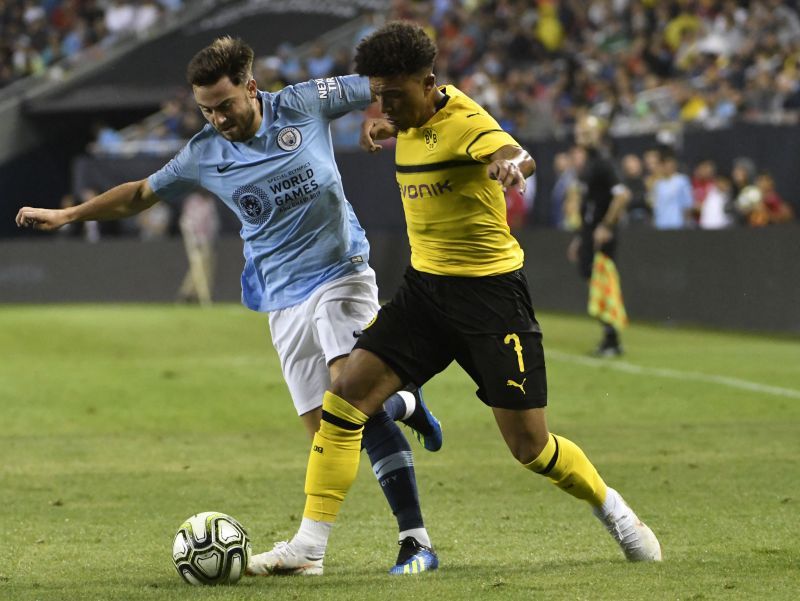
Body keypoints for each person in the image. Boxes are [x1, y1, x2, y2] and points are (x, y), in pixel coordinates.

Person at [16, 36, 442, 576]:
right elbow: (141, 194)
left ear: (251, 88)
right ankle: (402, 404)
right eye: (206, 110)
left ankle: (412, 542)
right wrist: (68, 216)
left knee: (349, 398)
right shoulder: (203, 153)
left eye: (225, 105)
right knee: (329, 436)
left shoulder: (306, 102)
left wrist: (386, 116)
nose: (217, 118)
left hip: (342, 271)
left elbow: (389, 86)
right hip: (282, 298)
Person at [249, 21, 661, 576]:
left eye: (396, 95)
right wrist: (387, 127)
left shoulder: (466, 121)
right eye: (379, 94)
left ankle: (612, 509)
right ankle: (309, 546)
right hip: (425, 292)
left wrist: (511, 166)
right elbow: (409, 128)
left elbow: (513, 152)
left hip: (491, 299)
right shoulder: (405, 115)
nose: (386, 105)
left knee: (531, 448)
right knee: (344, 397)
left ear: (430, 82)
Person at [565, 115, 631, 357]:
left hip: (601, 235)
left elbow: (622, 195)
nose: (582, 135)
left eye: (587, 131)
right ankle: (608, 337)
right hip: (589, 234)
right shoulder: (588, 165)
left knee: (604, 285)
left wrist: (606, 226)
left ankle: (613, 340)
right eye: (580, 131)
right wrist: (580, 236)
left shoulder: (604, 162)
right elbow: (587, 205)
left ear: (598, 133)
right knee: (593, 282)